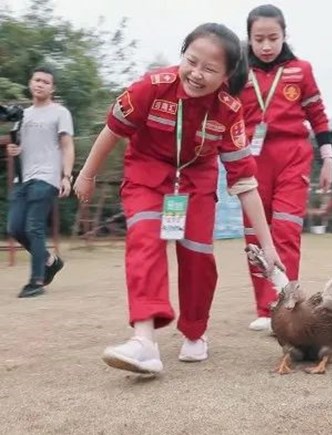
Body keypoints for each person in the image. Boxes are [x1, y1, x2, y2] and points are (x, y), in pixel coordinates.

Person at [73, 23, 284, 375]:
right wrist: (86, 174)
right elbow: (113, 128)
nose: (197, 73)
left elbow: (245, 182)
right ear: (182, 55)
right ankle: (143, 342)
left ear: (227, 75)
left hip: (196, 180)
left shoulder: (230, 112)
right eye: (191, 60)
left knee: (198, 256)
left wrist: (268, 244)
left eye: (210, 69)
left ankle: (195, 332)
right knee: (144, 240)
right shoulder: (151, 88)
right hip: (147, 174)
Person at [240, 4, 332, 331]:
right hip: (250, 159)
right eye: (259, 39)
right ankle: (264, 310)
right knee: (255, 234)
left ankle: (286, 305)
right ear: (249, 39)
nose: (266, 46)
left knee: (285, 230)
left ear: (284, 35)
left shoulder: (301, 70)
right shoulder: (237, 73)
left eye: (273, 38)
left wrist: (328, 158)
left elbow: (318, 115)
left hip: (293, 154)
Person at [6, 66, 75, 298]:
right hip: (22, 178)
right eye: (37, 80)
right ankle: (49, 260)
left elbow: (67, 145)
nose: (40, 84)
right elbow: (18, 146)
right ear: (30, 83)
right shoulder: (22, 115)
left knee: (33, 227)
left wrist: (66, 176)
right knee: (14, 227)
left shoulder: (60, 112)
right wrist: (13, 149)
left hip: (46, 177)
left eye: (46, 82)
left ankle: (36, 282)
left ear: (52, 88)